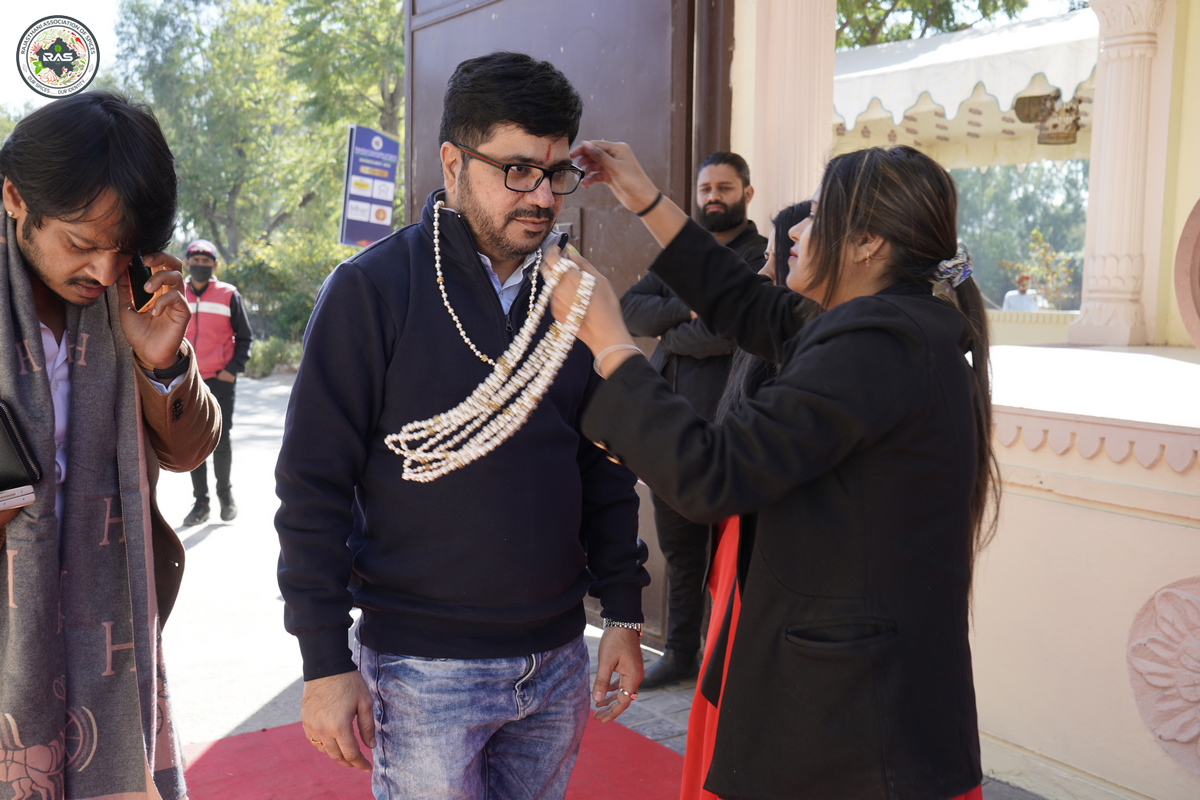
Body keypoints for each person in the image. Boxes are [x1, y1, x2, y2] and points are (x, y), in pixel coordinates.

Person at [547, 140, 998, 800]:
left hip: (851, 729)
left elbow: (712, 474)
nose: (796, 231)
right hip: (872, 709)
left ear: (867, 243)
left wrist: (610, 343)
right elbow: (744, 302)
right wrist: (641, 194)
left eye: (817, 215)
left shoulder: (879, 342)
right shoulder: (895, 321)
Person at [274, 52, 649, 800]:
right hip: (423, 669)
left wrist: (625, 614)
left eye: (556, 173)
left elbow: (603, 468)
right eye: (517, 171)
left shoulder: (577, 297)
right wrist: (324, 661)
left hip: (558, 658)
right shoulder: (372, 289)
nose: (541, 196)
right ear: (453, 163)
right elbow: (312, 485)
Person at [0, 92, 221, 800]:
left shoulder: (125, 301)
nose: (101, 271)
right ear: (15, 198)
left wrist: (161, 363)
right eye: (81, 244)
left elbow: (189, 452)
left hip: (107, 631)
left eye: (120, 250)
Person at [680, 201, 820, 800]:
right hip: (742, 536)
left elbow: (714, 468)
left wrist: (614, 355)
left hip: (770, 555)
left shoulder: (818, 359)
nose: (764, 271)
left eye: (780, 255)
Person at [619, 151, 766, 689]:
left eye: (724, 188)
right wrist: (687, 310)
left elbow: (727, 332)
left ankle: (728, 661)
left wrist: (676, 330)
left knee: (733, 554)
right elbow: (631, 309)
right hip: (671, 430)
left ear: (746, 193)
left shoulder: (759, 256)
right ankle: (681, 653)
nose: (713, 198)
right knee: (680, 550)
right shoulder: (686, 253)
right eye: (706, 189)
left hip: (728, 431)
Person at [181, 238, 253, 525]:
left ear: (215, 265)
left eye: (206, 261)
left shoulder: (228, 294)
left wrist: (232, 369)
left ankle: (225, 495)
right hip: (187, 381)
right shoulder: (175, 292)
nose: (200, 265)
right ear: (187, 263)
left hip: (220, 380)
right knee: (193, 443)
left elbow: (245, 337)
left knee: (221, 441)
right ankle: (201, 503)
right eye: (196, 260)